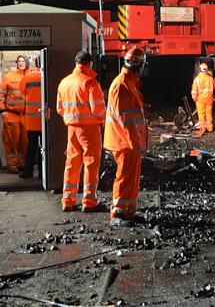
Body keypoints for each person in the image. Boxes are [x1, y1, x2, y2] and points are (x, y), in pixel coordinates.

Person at [57, 51, 106, 211]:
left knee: (71, 163)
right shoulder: (90, 83)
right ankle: (89, 201)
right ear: (89, 64)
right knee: (91, 163)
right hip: (89, 129)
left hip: (72, 128)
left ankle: (68, 200)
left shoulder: (64, 83)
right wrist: (106, 120)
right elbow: (98, 110)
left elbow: (60, 109)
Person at [104, 47, 148, 226]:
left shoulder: (130, 83)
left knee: (131, 177)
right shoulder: (121, 84)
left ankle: (129, 210)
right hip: (124, 141)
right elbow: (125, 119)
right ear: (139, 65)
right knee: (123, 177)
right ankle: (117, 212)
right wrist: (135, 142)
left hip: (130, 141)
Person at [0, 55, 29, 173]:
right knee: (11, 141)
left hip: (26, 115)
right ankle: (12, 165)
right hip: (11, 114)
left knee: (24, 141)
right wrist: (2, 111)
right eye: (19, 61)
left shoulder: (31, 77)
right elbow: (1, 94)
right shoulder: (9, 77)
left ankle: (21, 162)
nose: (21, 63)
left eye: (23, 61)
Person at [18, 59, 43, 179]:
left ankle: (28, 171)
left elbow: (22, 92)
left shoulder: (26, 79)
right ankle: (42, 172)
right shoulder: (45, 77)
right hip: (44, 120)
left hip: (31, 121)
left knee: (31, 146)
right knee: (43, 147)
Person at [191, 58, 215, 136]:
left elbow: (194, 91)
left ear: (200, 70)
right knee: (208, 114)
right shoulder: (210, 78)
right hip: (209, 99)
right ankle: (210, 128)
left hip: (200, 100)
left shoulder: (197, 79)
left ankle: (202, 129)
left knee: (201, 115)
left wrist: (194, 99)